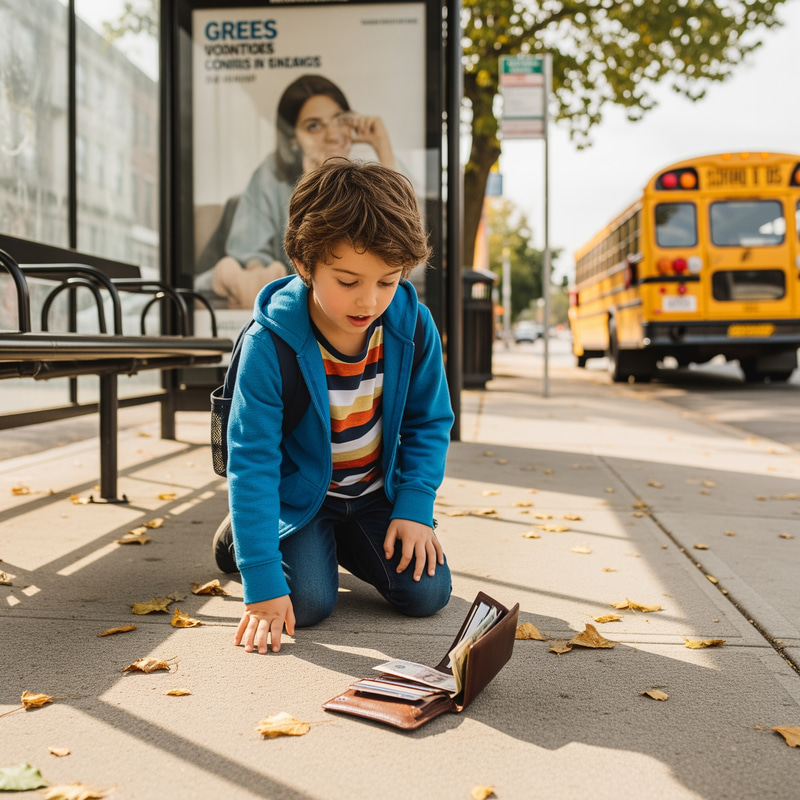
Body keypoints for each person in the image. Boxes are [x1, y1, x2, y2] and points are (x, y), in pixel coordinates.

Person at [216, 158, 453, 655]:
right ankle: (244, 537)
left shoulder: (412, 326)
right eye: (348, 281)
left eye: (387, 281)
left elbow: (429, 421)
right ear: (305, 265)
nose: (369, 301)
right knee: (307, 603)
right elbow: (252, 462)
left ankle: (324, 545)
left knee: (428, 593)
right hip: (299, 496)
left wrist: (414, 507)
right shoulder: (269, 344)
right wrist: (260, 582)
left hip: (370, 494)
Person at [204, 74, 398, 309]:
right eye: (314, 126)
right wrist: (311, 181)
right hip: (286, 279)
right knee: (239, 272)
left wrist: (382, 145)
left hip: (328, 288)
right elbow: (254, 252)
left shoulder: (369, 169)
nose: (332, 134)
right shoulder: (271, 174)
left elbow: (402, 240)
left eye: (340, 120)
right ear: (293, 139)